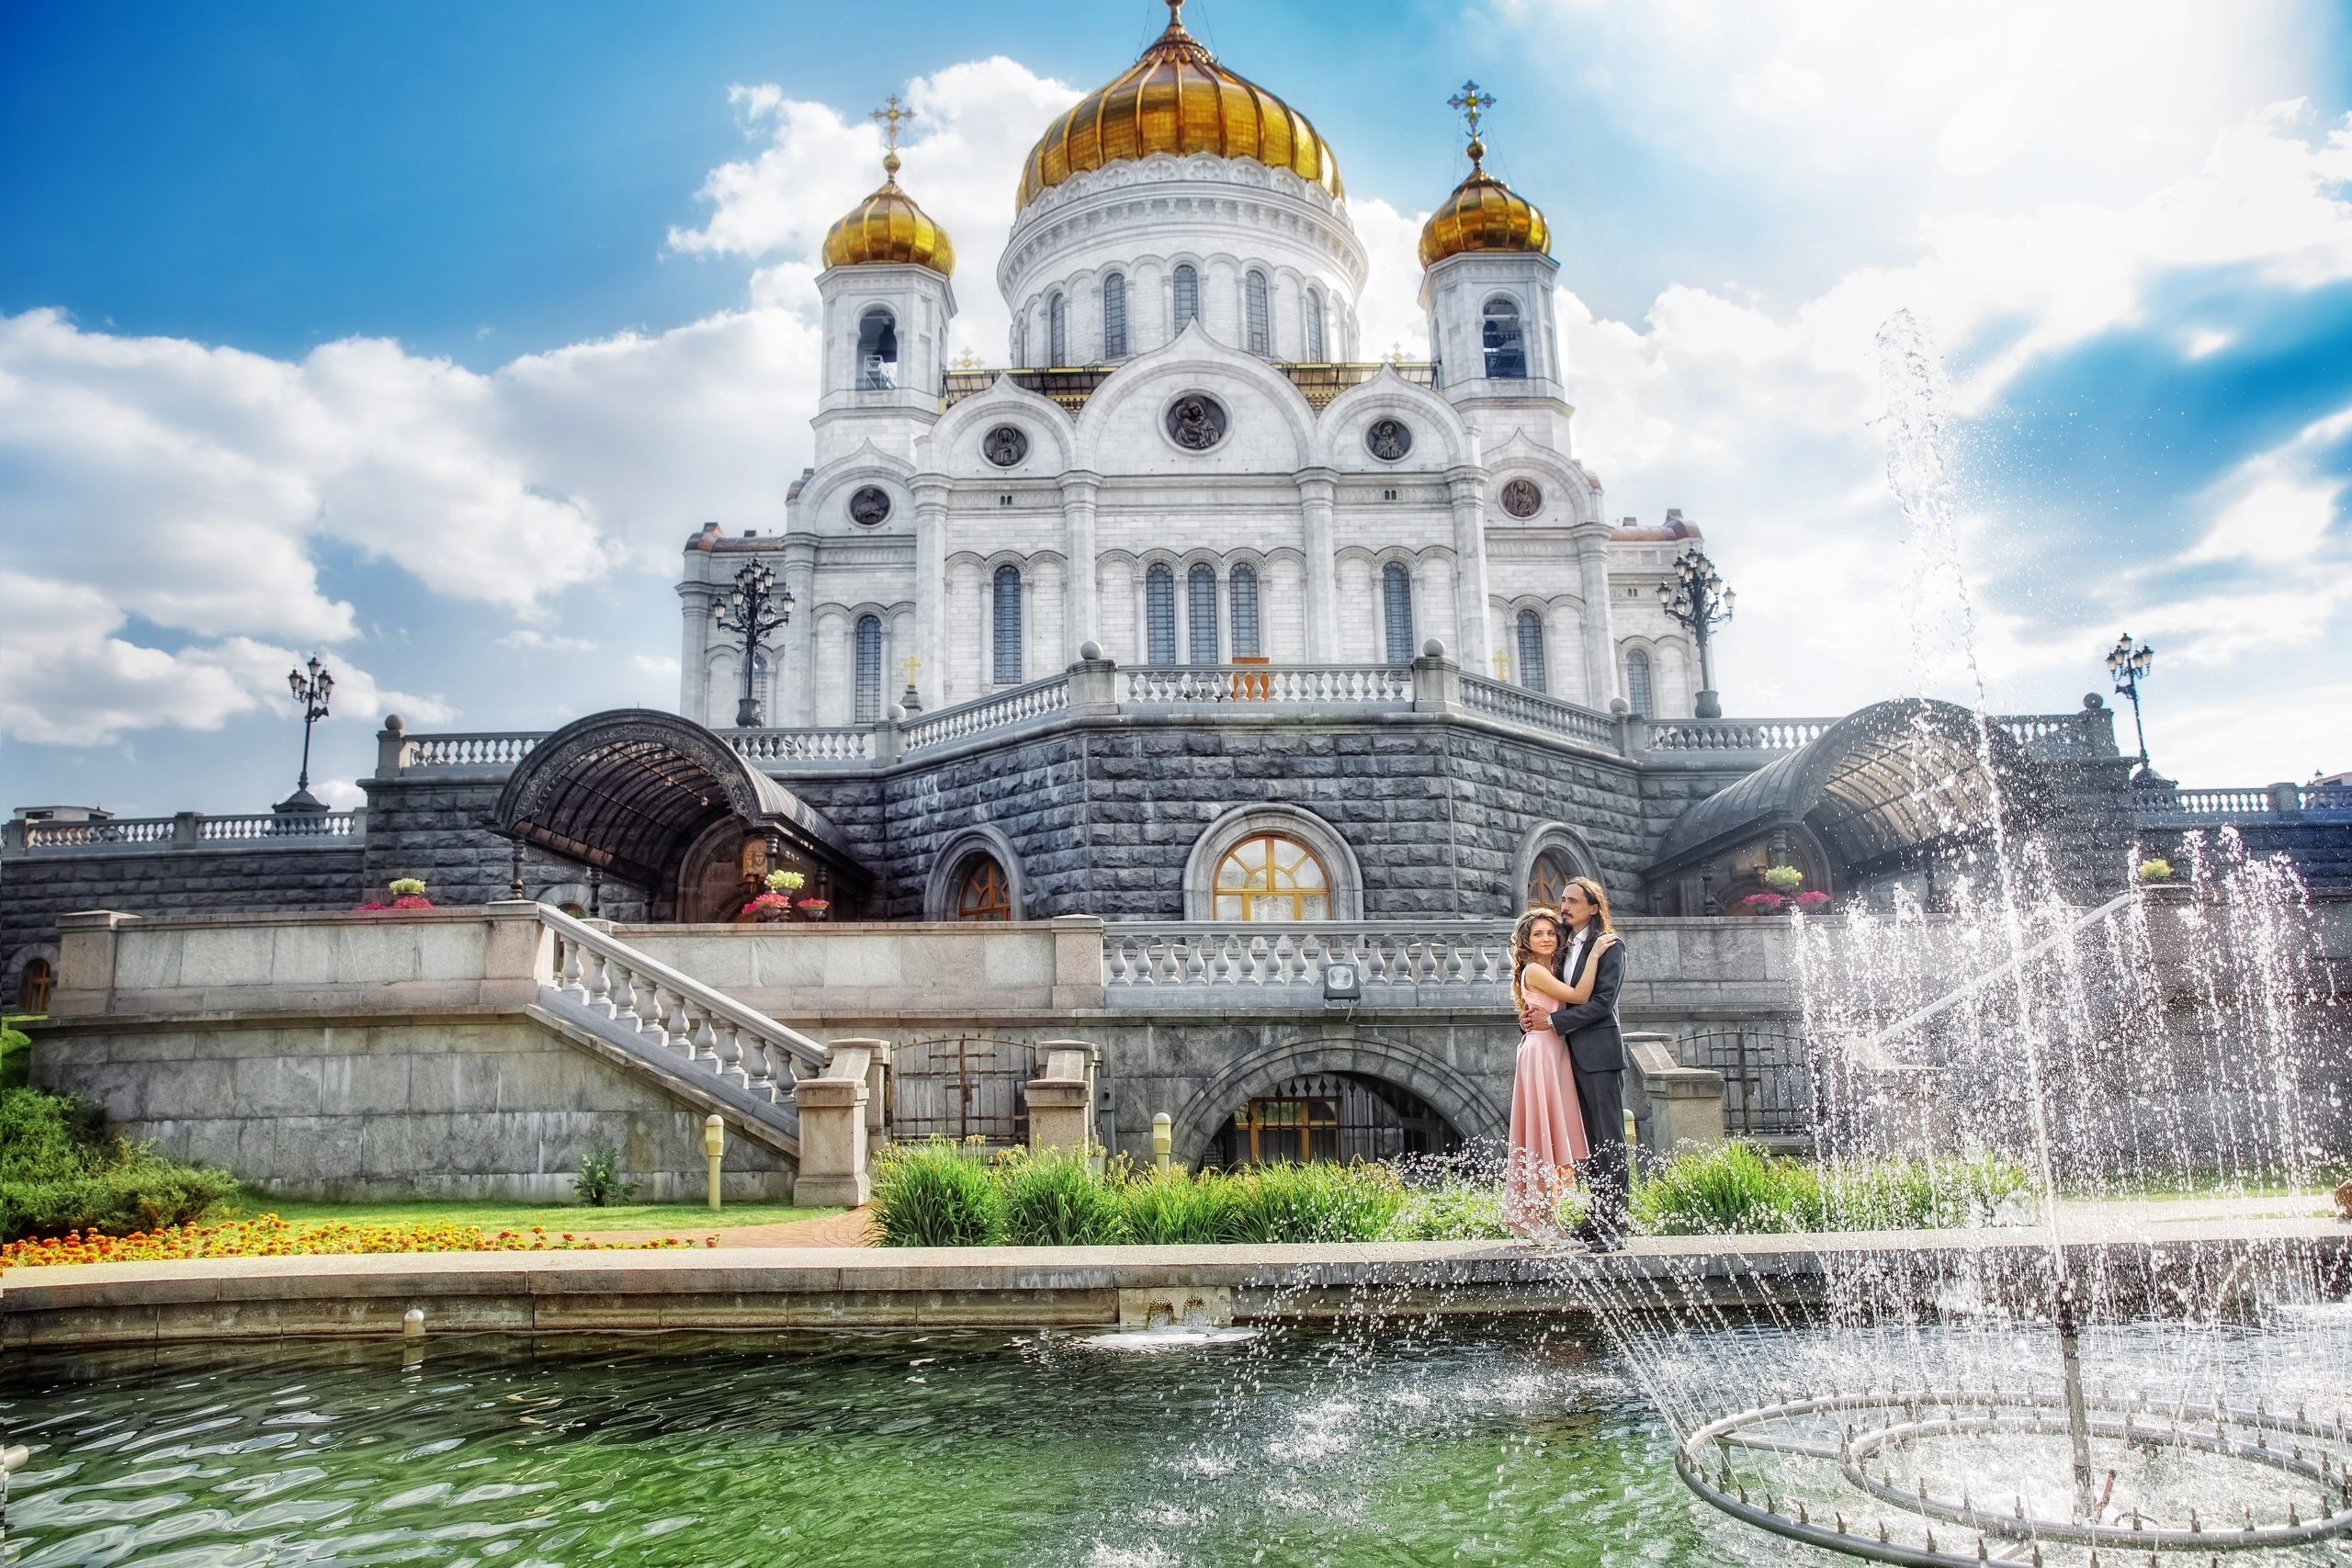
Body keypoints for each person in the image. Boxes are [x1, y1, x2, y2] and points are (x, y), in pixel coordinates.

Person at [1520, 876, 1630, 1252]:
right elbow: (1554, 993)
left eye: (1572, 901)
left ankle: (1614, 1228)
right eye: (1562, 899)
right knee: (1589, 1145)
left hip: (1599, 1055)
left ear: (1593, 907)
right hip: (1566, 1058)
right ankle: (1596, 1218)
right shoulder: (1564, 947)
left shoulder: (1610, 946)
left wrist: (1552, 1023)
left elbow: (1601, 1003)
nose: (1563, 906)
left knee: (1610, 1141)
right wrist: (1533, 1016)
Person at [1503, 908, 1616, 1242]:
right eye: (1538, 934)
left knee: (1552, 1135)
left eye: (1551, 933)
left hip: (1556, 1052)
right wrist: (1596, 952)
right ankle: (1537, 1218)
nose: (1546, 938)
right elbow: (1580, 997)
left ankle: (1548, 1218)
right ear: (1526, 940)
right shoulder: (1535, 970)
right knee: (1539, 1135)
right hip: (1541, 1052)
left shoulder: (1553, 967)